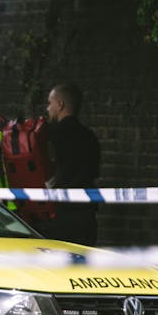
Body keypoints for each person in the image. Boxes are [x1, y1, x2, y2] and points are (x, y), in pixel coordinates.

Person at [37, 83, 101, 246]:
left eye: (50, 103)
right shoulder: (90, 137)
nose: (47, 108)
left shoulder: (51, 135)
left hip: (59, 212)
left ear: (60, 105)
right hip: (86, 213)